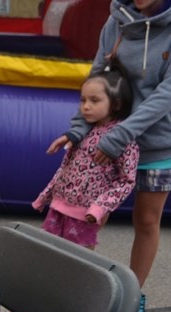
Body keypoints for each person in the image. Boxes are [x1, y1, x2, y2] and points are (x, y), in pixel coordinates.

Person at [47, 0, 171, 312]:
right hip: (105, 142)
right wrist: (77, 130)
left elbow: (166, 93)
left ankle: (134, 296)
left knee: (146, 220)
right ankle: (72, 293)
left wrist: (122, 135)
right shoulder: (116, 22)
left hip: (157, 143)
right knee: (85, 219)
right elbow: (96, 79)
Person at [35, 63, 139, 250]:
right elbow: (66, 168)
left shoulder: (122, 139)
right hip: (59, 206)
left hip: (86, 212)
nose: (86, 107)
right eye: (83, 100)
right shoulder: (84, 131)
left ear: (116, 104)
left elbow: (126, 180)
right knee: (51, 250)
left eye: (94, 100)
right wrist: (46, 195)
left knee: (80, 257)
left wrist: (100, 207)